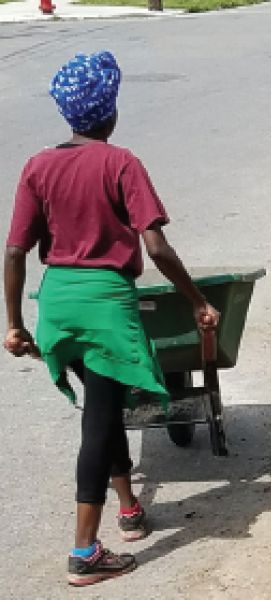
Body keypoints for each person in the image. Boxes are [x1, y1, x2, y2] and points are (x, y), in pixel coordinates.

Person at [4, 51, 220, 587]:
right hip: (104, 305)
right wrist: (196, 299)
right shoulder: (121, 162)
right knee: (98, 421)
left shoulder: (36, 166)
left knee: (105, 398)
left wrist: (13, 323)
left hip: (55, 304)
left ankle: (128, 509)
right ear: (111, 111)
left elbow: (14, 253)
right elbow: (157, 246)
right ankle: (84, 552)